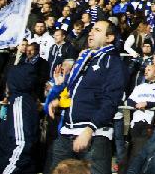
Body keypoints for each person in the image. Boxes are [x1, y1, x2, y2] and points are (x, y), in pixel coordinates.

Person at [47, 20, 128, 174]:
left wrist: (90, 129)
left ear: (109, 38)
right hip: (67, 132)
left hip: (93, 136)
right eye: (91, 29)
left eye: (97, 30)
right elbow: (77, 91)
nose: (91, 32)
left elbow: (111, 101)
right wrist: (59, 101)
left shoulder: (113, 62)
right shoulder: (87, 59)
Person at [0, 63, 39, 174]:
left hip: (8, 168)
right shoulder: (18, 101)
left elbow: (21, 144)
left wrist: (8, 171)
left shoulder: (20, 103)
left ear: (14, 80)